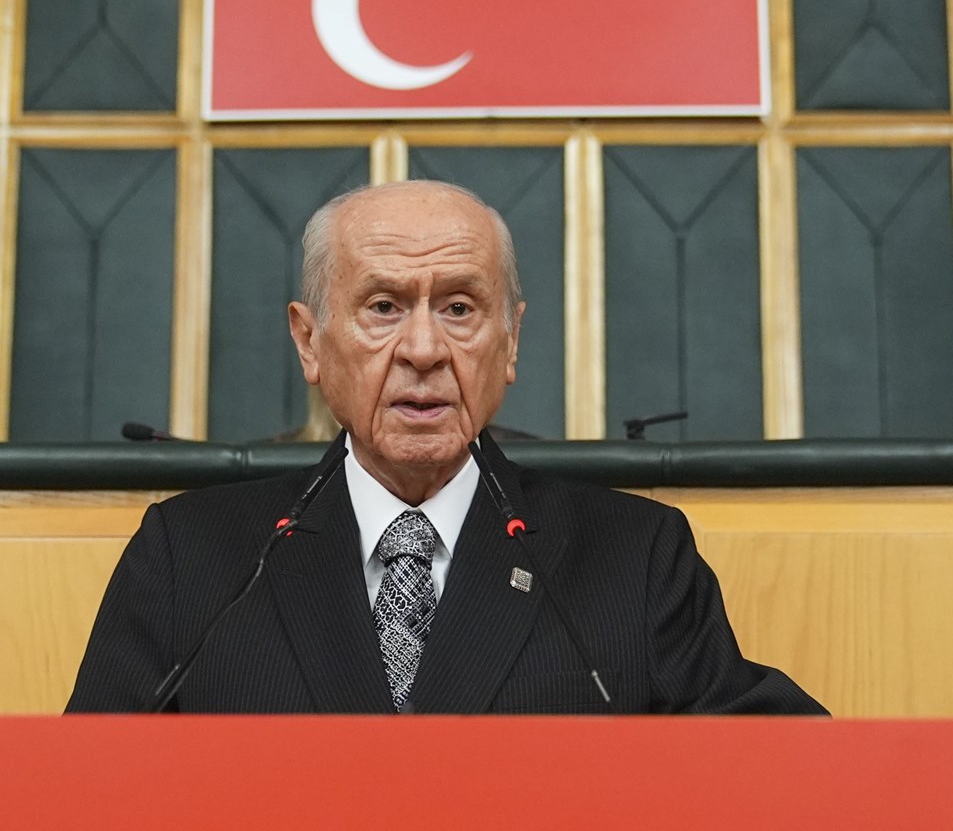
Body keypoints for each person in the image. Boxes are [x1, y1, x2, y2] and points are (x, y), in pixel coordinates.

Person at [66, 180, 826, 715]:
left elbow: (783, 772)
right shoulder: (190, 559)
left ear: (511, 339)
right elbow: (89, 792)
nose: (424, 349)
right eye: (383, 306)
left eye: (459, 307)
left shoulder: (636, 557)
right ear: (310, 341)